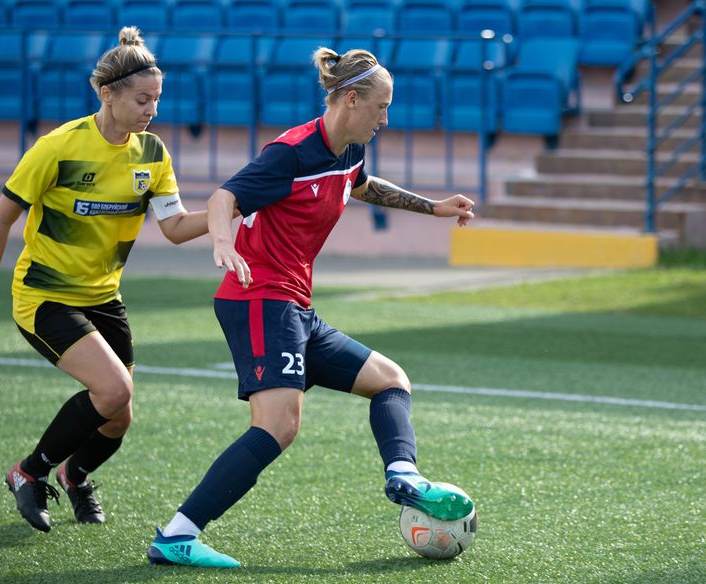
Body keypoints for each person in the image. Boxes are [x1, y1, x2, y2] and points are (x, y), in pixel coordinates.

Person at [147, 47, 477, 568]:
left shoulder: (349, 149)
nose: (385, 118)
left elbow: (362, 185)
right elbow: (222, 199)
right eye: (381, 107)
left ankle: (403, 474)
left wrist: (432, 207)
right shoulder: (291, 152)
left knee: (390, 380)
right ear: (352, 99)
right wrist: (223, 244)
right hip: (258, 297)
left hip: (294, 306)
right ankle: (177, 536)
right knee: (278, 425)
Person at [0, 26, 209, 533]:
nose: (152, 110)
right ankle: (29, 473)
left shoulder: (152, 154)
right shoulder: (58, 147)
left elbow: (176, 227)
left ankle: (75, 476)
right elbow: (1, 219)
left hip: (103, 297)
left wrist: (234, 209)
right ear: (107, 93)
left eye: (157, 99)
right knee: (114, 390)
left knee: (119, 416)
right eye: (142, 99)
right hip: (44, 295)